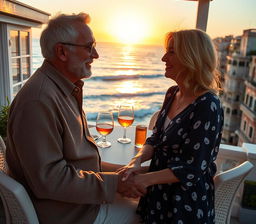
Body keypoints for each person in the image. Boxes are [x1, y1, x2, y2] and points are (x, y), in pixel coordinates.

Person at [6, 13, 143, 224]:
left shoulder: (62, 89)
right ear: (62, 51)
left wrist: (123, 174)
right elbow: (51, 180)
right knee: (151, 213)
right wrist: (116, 184)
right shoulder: (38, 101)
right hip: (70, 215)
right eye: (88, 47)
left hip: (78, 203)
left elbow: (77, 163)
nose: (95, 54)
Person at [119, 29, 224, 223]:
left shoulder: (208, 105)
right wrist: (136, 161)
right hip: (158, 196)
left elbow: (193, 168)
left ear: (191, 57)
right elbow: (155, 138)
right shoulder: (172, 93)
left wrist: (144, 179)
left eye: (171, 52)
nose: (163, 58)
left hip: (184, 204)